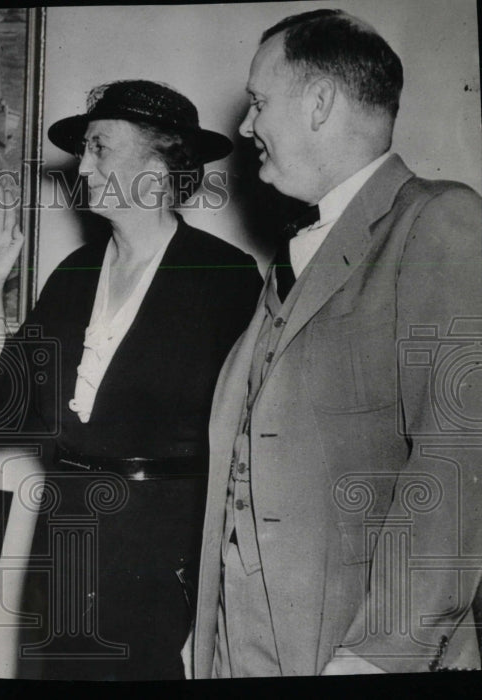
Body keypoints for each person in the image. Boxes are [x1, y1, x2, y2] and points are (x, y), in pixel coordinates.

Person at [188, 10, 482, 677]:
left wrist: (378, 657)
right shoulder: (292, 258)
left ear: (319, 103)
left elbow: (459, 462)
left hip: (353, 653)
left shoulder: (437, 221)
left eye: (260, 103)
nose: (246, 127)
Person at [0, 80, 262, 680]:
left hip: (166, 577)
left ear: (157, 172)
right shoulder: (72, 275)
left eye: (101, 148)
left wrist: (211, 613)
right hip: (67, 558)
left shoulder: (225, 280)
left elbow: (248, 459)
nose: (84, 165)